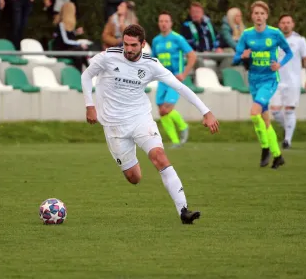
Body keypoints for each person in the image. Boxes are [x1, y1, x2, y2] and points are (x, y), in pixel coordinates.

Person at [80, 24, 219, 224]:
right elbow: (86, 75)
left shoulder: (151, 65)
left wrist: (206, 111)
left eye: (133, 45)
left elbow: (179, 86)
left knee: (159, 157)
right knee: (134, 178)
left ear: (143, 44)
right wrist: (89, 105)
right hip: (114, 126)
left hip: (140, 119)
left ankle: (184, 211)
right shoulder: (108, 57)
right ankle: (132, 164)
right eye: (126, 44)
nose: (128, 49)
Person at [232, 1, 293, 169]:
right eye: (256, 13)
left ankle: (265, 147)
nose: (259, 16)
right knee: (265, 120)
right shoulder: (246, 35)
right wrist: (242, 56)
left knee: (254, 113)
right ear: (251, 16)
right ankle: (278, 156)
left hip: (269, 80)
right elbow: (235, 59)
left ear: (266, 16)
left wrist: (279, 64)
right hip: (254, 81)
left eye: (262, 13)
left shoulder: (274, 33)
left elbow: (289, 52)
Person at [151, 11, 197, 147]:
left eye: (166, 21)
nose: (163, 24)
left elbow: (192, 56)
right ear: (158, 24)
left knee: (167, 109)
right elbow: (153, 60)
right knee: (161, 111)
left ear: (171, 23)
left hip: (175, 78)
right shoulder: (156, 41)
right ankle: (175, 141)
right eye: (161, 21)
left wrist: (184, 73)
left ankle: (183, 126)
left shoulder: (178, 39)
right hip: (162, 80)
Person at [269, 14, 306, 149]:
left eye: (288, 22)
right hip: (276, 80)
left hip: (293, 81)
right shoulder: (274, 39)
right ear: (279, 24)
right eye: (283, 22)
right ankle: (288, 129)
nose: (285, 25)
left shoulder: (300, 40)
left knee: (289, 109)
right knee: (275, 110)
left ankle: (287, 140)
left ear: (292, 24)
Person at [52, 2, 88, 71]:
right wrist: (79, 44)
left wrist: (75, 32)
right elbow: (65, 41)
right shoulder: (61, 25)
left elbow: (68, 36)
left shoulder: (68, 24)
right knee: (80, 49)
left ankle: (84, 74)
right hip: (60, 51)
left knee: (79, 54)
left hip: (67, 49)